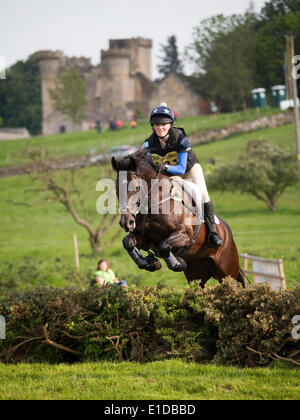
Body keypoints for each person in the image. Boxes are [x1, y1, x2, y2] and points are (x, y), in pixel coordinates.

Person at [142, 104, 223, 248]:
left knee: (202, 193)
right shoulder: (148, 144)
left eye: (163, 124)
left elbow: (181, 168)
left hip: (188, 169)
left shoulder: (180, 139)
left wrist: (165, 167)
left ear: (171, 124)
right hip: (169, 174)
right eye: (156, 124)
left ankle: (212, 231)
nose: (160, 127)